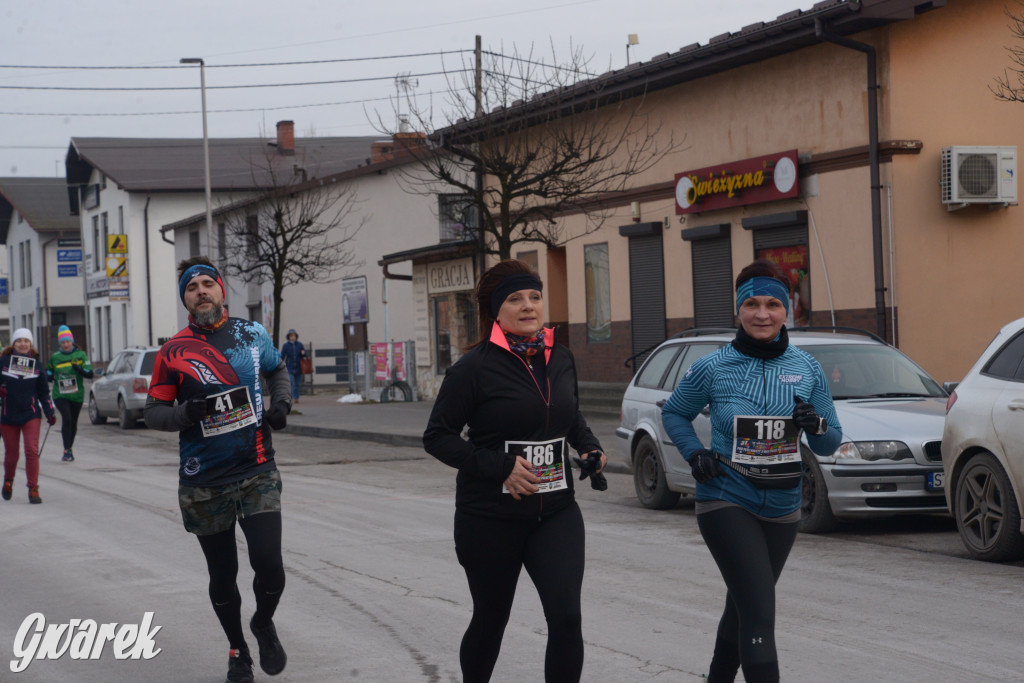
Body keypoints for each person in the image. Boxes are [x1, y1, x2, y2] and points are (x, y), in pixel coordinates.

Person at [423, 259, 607, 683]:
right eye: (515, 298)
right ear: (495, 310)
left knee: (566, 618)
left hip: (555, 511)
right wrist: (500, 467)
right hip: (489, 516)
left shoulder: (560, 357)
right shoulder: (473, 369)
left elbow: (569, 414)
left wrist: (590, 446)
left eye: (535, 296)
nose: (528, 306)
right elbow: (438, 436)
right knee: (491, 620)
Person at [661, 259, 842, 683]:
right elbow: (674, 414)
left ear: (787, 311)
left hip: (782, 506)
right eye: (752, 305)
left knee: (743, 605)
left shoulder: (807, 368)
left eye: (773, 305)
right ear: (738, 310)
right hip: (726, 497)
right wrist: (694, 453)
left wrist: (814, 424)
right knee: (760, 612)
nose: (763, 314)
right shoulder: (712, 367)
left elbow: (830, 440)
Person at [144, 256, 293, 683]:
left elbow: (277, 367)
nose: (201, 291)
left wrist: (280, 404)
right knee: (222, 573)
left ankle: (262, 622)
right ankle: (238, 651)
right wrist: (185, 414)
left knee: (269, 564)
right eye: (192, 288)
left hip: (257, 467)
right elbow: (155, 412)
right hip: (203, 479)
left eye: (208, 283)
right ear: (185, 300)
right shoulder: (172, 352)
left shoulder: (251, 333)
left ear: (222, 289)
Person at [1, 328, 57, 504]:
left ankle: (33, 488)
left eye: (26, 341)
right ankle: (8, 479)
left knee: (32, 450)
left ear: (30, 344)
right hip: (9, 415)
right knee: (12, 455)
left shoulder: (36, 365)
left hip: (30, 414)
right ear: (14, 344)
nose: (23, 344)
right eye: (19, 341)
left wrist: (49, 411)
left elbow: (43, 392)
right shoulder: (3, 362)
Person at [46, 325, 94, 462]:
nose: (66, 345)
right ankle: (66, 449)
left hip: (77, 395)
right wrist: (48, 376)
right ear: (60, 343)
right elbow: (48, 370)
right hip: (60, 394)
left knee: (73, 422)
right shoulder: (55, 357)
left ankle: (69, 448)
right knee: (66, 418)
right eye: (63, 342)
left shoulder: (80, 355)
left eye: (67, 342)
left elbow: (89, 374)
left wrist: (78, 369)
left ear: (72, 341)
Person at [279, 329, 306, 408]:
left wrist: (303, 353)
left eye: (294, 336)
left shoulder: (299, 345)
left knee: (297, 384)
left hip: (298, 367)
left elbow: (304, 356)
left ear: (296, 336)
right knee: (290, 383)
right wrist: (280, 363)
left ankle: (296, 397)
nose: (292, 337)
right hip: (289, 367)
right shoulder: (286, 345)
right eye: (291, 336)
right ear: (289, 337)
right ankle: (290, 398)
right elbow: (282, 355)